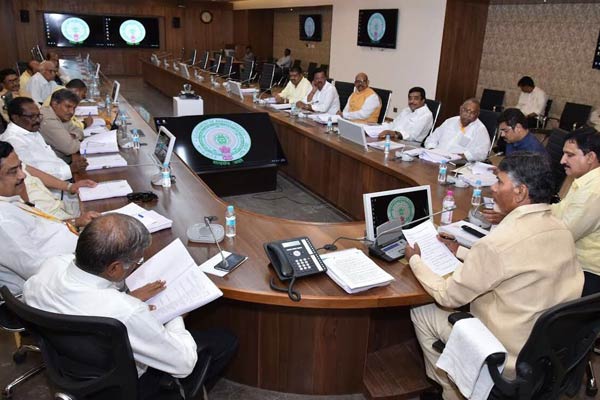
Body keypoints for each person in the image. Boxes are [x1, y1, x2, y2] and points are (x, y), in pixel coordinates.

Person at [406, 152, 583, 400]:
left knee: (421, 311)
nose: (493, 187)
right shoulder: (562, 230)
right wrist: (461, 251)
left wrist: (414, 259)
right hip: (546, 352)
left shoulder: (498, 242)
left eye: (499, 182)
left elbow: (448, 296)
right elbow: (515, 262)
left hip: (502, 354)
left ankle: (453, 390)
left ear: (520, 192)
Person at [24, 214, 238, 398]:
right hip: (127, 387)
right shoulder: (125, 311)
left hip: (68, 367)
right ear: (115, 268)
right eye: (137, 261)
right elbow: (183, 364)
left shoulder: (47, 270)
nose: (137, 264)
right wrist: (177, 315)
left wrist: (131, 296)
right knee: (225, 340)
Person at [483, 130, 600, 297]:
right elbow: (557, 210)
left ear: (590, 157)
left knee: (506, 276)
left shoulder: (594, 191)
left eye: (569, 155)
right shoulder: (586, 181)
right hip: (567, 260)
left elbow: (561, 236)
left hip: (584, 274)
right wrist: (522, 212)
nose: (562, 161)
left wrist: (517, 216)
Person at [0, 141, 98, 293]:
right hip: (64, 283)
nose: (23, 175)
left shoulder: (8, 198)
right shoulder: (3, 221)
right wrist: (95, 260)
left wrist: (75, 223)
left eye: (20, 166)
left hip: (74, 261)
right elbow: (40, 272)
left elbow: (41, 230)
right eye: (13, 171)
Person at [0, 97, 86, 181]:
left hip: (63, 179)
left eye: (38, 115)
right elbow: (31, 176)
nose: (37, 120)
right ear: (16, 118)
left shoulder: (30, 129)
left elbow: (50, 161)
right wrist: (70, 170)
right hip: (50, 189)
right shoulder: (13, 141)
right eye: (32, 117)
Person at [424, 98, 490, 161]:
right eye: (465, 110)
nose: (468, 114)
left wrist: (460, 156)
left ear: (477, 114)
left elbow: (482, 153)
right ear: (460, 109)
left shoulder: (480, 130)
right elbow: (432, 138)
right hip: (434, 157)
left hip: (456, 162)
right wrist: (432, 150)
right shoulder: (449, 121)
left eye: (472, 112)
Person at [39, 89, 84, 159]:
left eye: (74, 108)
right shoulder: (47, 119)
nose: (72, 112)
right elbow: (70, 148)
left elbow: (78, 130)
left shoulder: (61, 115)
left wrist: (74, 135)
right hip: (54, 165)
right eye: (68, 107)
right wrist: (80, 142)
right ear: (54, 104)